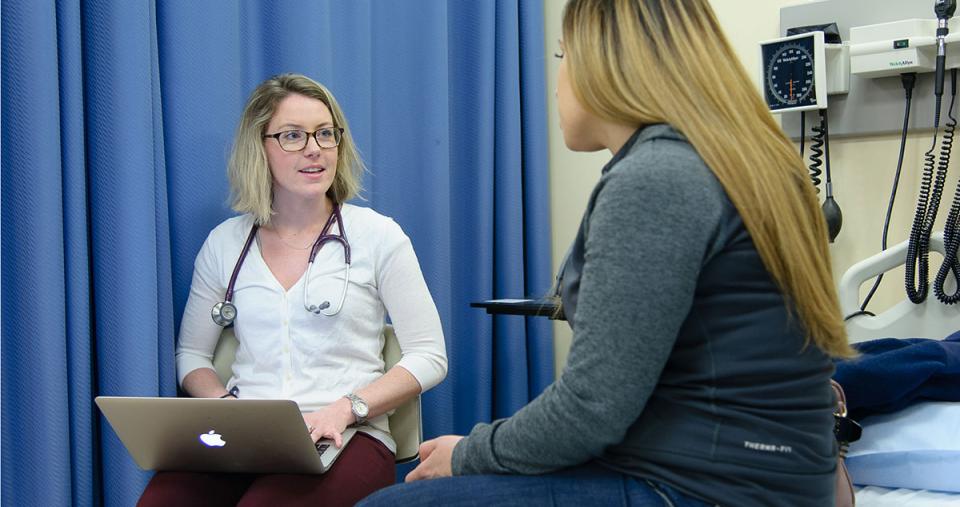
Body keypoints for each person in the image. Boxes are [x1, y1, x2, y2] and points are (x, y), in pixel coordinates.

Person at [359, 0, 854, 506]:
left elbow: (591, 409)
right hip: (776, 475)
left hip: (711, 486)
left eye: (562, 55)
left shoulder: (656, 178)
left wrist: (468, 453)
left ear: (605, 64)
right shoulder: (746, 159)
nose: (556, 82)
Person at [138, 73, 447, 507]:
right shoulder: (225, 243)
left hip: (349, 434)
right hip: (246, 436)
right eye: (292, 136)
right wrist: (222, 403)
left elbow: (429, 356)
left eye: (325, 134)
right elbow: (192, 356)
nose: (314, 149)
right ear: (259, 147)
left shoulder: (378, 237)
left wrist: (347, 407)